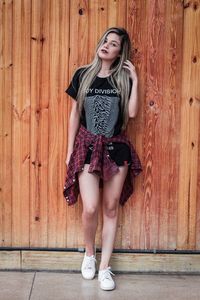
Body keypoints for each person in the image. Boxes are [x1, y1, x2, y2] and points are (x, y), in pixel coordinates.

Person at [63, 27, 142, 291]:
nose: (107, 46)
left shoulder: (123, 78)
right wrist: (69, 150)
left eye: (114, 44)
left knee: (110, 208)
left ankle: (105, 268)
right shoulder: (83, 75)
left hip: (116, 147)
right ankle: (89, 255)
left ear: (120, 52)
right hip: (86, 146)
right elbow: (74, 114)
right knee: (90, 208)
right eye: (105, 41)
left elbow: (131, 114)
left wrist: (136, 80)